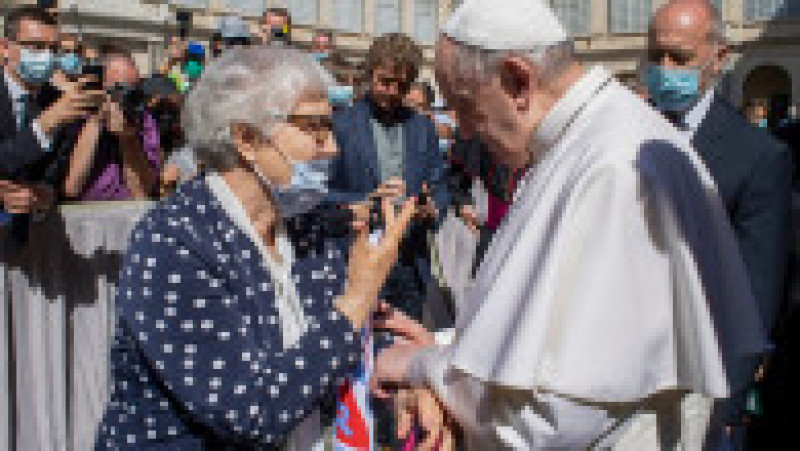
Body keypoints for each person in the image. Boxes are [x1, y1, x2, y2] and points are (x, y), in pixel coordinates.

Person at [372, 0, 768, 448]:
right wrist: (451, 347)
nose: (461, 130)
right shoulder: (590, 137)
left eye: (465, 105)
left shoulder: (614, 167)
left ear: (518, 80)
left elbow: (548, 418)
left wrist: (421, 366)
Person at [95, 47, 416, 449]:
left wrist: (415, 373)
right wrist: (356, 300)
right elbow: (250, 411)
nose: (332, 147)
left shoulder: (304, 227)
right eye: (314, 127)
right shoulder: (174, 240)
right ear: (246, 139)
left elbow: (342, 347)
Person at [647, 3, 793, 447]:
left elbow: (755, 289)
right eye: (656, 56)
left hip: (701, 379)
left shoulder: (758, 156)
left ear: (720, 57)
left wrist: (729, 402)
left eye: (680, 58)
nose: (664, 69)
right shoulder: (623, 132)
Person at [328, 33, 449, 322]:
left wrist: (431, 209)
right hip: (357, 259)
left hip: (408, 263)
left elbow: (440, 185)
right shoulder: (341, 125)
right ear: (369, 75)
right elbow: (321, 192)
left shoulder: (423, 128)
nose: (393, 92)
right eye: (385, 82)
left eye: (402, 86)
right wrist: (365, 201)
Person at [0, 6, 103, 246]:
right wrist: (44, 125)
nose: (46, 57)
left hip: (29, 246)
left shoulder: (60, 102)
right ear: (5, 48)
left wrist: (45, 195)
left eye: (52, 49)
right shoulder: (56, 112)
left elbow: (57, 176)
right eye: (36, 46)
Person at [62, 45, 161, 201]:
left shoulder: (144, 119)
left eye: (133, 89)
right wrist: (96, 121)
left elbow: (142, 191)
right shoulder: (78, 114)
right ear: (100, 86)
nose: (126, 97)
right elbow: (72, 187)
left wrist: (128, 139)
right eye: (119, 89)